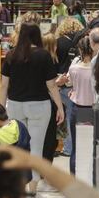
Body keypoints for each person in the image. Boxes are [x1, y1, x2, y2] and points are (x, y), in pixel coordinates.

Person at [0, 23, 64, 197]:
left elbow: (4, 85)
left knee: (18, 146)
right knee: (36, 146)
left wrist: (0, 107)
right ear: (37, 36)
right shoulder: (43, 55)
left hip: (15, 105)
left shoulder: (11, 55)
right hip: (39, 105)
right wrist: (59, 106)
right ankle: (33, 186)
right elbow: (51, 85)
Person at [55, 17, 84, 157]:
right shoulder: (79, 43)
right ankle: (70, 147)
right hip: (72, 83)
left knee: (58, 115)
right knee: (70, 117)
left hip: (57, 81)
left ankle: (59, 145)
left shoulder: (58, 42)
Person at [67, 36, 94, 174]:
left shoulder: (74, 67)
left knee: (76, 147)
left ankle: (73, 178)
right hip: (92, 109)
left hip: (76, 107)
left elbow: (69, 83)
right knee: (92, 147)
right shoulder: (97, 68)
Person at [42, 32, 60, 162]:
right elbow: (51, 85)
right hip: (49, 100)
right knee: (49, 135)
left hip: (41, 101)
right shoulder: (49, 60)